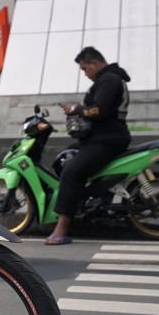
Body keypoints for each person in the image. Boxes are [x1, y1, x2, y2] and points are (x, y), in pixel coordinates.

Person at [46, 46, 131, 245]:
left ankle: (61, 229)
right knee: (65, 156)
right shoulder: (108, 79)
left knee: (72, 172)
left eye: (85, 69)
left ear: (94, 63)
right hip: (99, 137)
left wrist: (75, 108)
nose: (85, 74)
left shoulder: (109, 79)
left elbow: (98, 111)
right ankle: (79, 202)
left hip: (107, 139)